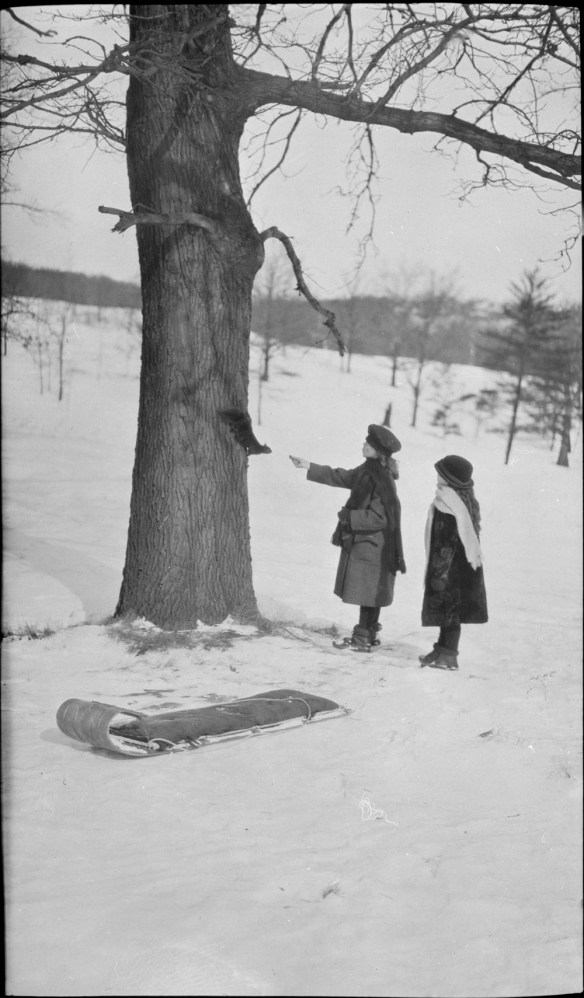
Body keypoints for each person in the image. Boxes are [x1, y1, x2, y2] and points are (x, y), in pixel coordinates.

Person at [290, 425, 406, 652]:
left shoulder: (380, 478)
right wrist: (309, 466)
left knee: (369, 594)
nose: (363, 445)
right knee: (370, 593)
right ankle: (368, 634)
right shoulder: (368, 470)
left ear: (376, 451)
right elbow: (342, 477)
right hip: (369, 543)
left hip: (372, 545)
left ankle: (363, 639)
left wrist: (348, 517)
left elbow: (379, 517)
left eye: (367, 444)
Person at [419, 455, 488, 671]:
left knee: (451, 612)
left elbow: (446, 543)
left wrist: (439, 574)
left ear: (450, 478)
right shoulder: (455, 498)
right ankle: (441, 648)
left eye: (441, 473)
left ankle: (449, 655)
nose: (437, 476)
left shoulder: (450, 503)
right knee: (448, 612)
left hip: (450, 569)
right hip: (456, 567)